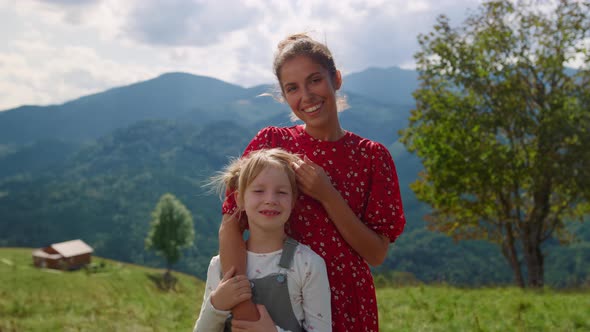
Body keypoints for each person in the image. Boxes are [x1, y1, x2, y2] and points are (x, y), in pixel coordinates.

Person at [219, 33, 406, 331]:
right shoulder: (272, 143)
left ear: (337, 79)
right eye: (292, 88)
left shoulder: (372, 158)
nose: (306, 96)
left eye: (315, 80)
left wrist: (328, 195)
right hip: (277, 304)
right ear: (284, 95)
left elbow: (376, 253)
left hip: (348, 305)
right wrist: (246, 312)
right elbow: (231, 224)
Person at [195, 148, 332, 332]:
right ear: (239, 199)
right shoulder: (219, 266)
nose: (270, 199)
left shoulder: (308, 265)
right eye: (259, 191)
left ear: (293, 201)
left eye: (281, 192)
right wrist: (216, 306)